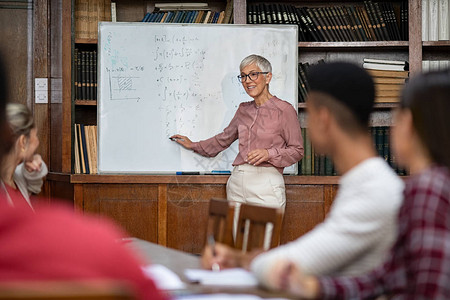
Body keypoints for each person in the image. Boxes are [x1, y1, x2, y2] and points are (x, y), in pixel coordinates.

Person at [202, 62, 404, 282]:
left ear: (323, 118)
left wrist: (239, 260)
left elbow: (299, 262)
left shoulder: (372, 191)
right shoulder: (366, 182)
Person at [266, 70, 450, 299]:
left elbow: (429, 293)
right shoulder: (428, 186)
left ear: (409, 123)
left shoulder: (428, 189)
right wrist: (315, 287)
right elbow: (383, 279)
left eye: (397, 116)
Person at [0, 57, 166, 300]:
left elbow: (32, 178)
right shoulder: (93, 242)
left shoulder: (19, 179)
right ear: (19, 140)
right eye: (35, 138)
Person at [171, 54, 303, 244]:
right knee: (238, 249)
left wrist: (269, 153)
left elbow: (297, 150)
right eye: (243, 76)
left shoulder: (284, 110)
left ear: (268, 77)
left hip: (266, 184)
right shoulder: (243, 109)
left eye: (253, 74)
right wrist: (193, 145)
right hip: (237, 181)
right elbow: (224, 139)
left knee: (260, 249)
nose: (247, 81)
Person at [1, 103, 48, 209]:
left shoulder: (16, 179)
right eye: (35, 136)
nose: (37, 141)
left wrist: (30, 168)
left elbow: (35, 185)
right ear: (23, 141)